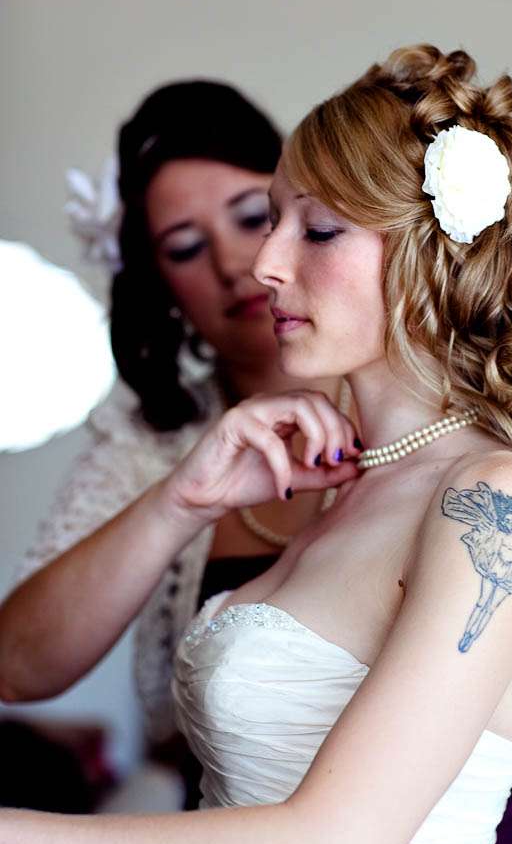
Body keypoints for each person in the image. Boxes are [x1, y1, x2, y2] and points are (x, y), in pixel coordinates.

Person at [2, 43, 512, 844]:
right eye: (273, 220)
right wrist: (187, 499)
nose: (262, 266)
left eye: (318, 230)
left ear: (430, 253)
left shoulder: (504, 501)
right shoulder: (342, 486)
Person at [0, 80, 358, 806]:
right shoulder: (149, 444)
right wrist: (177, 504)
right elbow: (17, 667)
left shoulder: (417, 396)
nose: (235, 263)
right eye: (187, 247)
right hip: (233, 827)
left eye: (254, 216)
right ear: (159, 283)